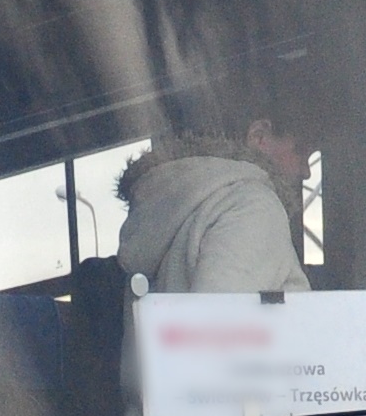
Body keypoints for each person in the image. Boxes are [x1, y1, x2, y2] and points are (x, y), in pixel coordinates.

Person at [112, 101, 314, 298]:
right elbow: (219, 325)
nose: (307, 172)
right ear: (259, 136)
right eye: (300, 151)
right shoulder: (253, 205)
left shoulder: (187, 206)